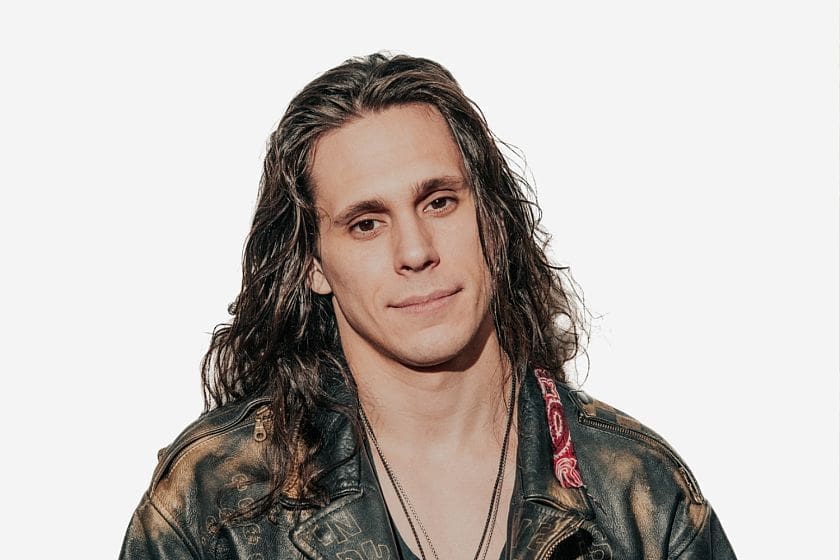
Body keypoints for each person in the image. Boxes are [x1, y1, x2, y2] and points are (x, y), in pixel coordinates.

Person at [120, 53, 736, 560]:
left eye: (439, 202)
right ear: (312, 265)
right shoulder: (216, 504)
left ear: (493, 218)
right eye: (366, 223)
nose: (415, 252)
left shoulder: (636, 492)